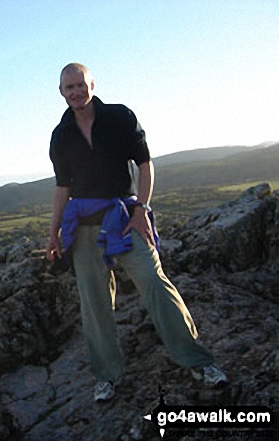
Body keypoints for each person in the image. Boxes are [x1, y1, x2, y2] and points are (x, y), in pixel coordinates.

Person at [46, 63, 227, 402]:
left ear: (92, 84)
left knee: (156, 284)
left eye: (80, 85)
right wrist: (53, 233)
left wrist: (142, 209)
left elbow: (145, 163)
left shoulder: (120, 117)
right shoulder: (61, 135)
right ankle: (107, 376)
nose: (76, 92)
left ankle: (198, 362)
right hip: (83, 228)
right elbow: (62, 186)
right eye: (69, 87)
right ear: (61, 91)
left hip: (125, 218)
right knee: (94, 304)